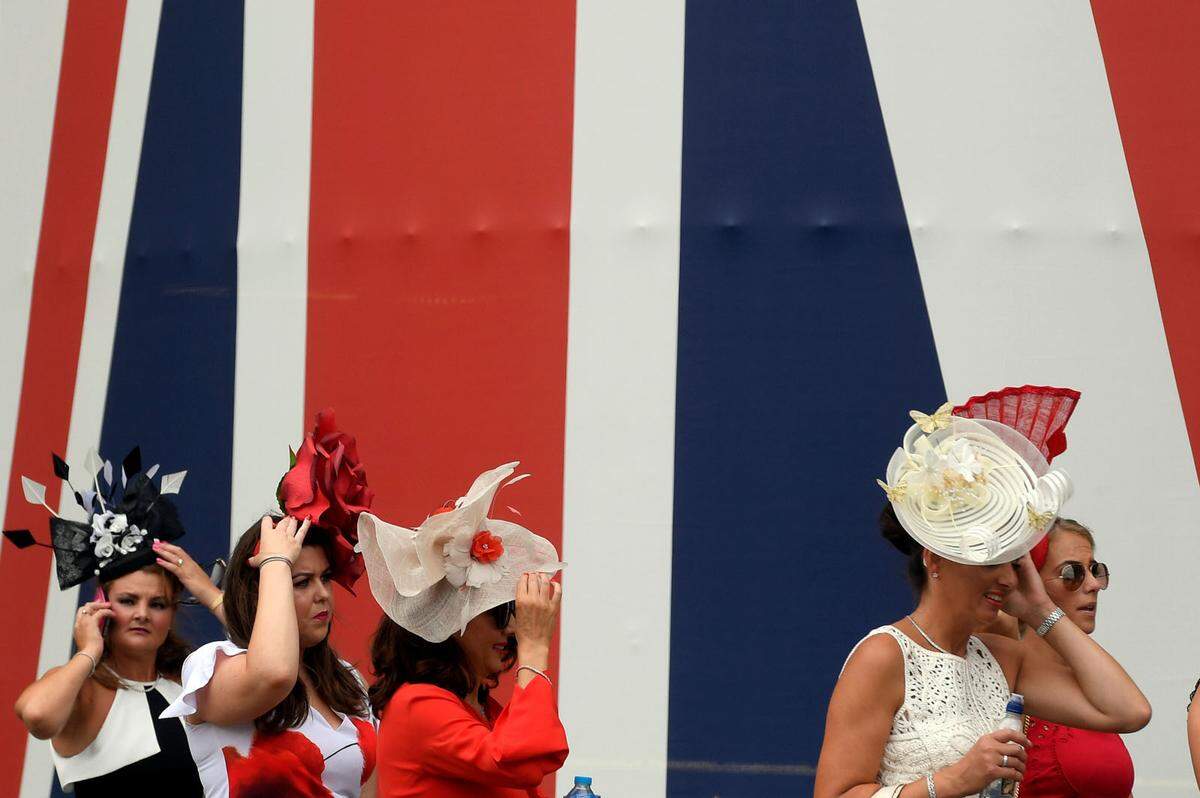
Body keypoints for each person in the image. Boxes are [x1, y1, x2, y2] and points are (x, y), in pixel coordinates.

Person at [814, 388, 1151, 798]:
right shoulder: (884, 655)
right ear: (935, 560)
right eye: (991, 562)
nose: (1008, 580)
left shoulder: (1001, 658)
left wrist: (1041, 609)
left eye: (1014, 563)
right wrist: (951, 781)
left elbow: (1128, 711)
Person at [161, 409, 378, 798]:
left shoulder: (348, 680)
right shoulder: (210, 667)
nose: (322, 594)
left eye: (325, 578)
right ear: (264, 588)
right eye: (301, 581)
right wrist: (276, 561)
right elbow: (273, 674)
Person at [9, 446, 221, 795]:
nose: (141, 613)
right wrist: (88, 651)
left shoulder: (190, 684)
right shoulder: (83, 688)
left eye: (157, 603)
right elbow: (37, 715)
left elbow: (272, 673)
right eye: (127, 601)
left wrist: (211, 594)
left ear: (172, 611)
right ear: (102, 604)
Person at [357, 462, 568, 797]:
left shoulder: (483, 712)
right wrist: (535, 649)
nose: (513, 627)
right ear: (453, 623)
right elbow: (520, 758)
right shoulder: (417, 705)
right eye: (498, 613)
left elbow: (531, 758)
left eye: (511, 612)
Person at [1012, 519, 1132, 797]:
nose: (1093, 584)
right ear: (1027, 581)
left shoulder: (1094, 683)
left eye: (1094, 570)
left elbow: (1138, 713)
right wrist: (1040, 612)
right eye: (1071, 573)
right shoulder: (1007, 678)